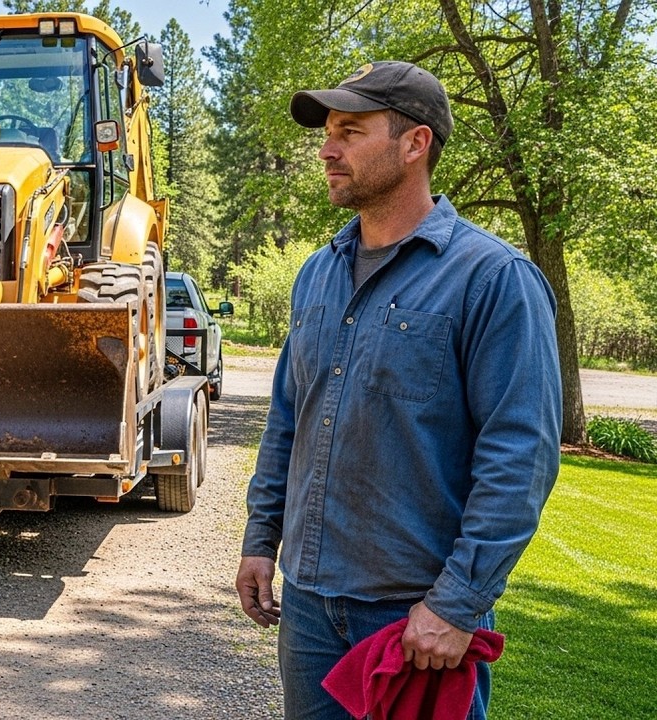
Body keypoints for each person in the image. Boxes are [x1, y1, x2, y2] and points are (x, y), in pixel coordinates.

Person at [234, 61, 562, 719]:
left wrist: (456, 602)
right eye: (328, 131)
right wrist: (259, 536)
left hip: (416, 621)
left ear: (415, 144)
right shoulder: (316, 276)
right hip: (308, 612)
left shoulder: (493, 279)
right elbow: (289, 419)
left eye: (351, 131)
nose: (328, 149)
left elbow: (520, 456)